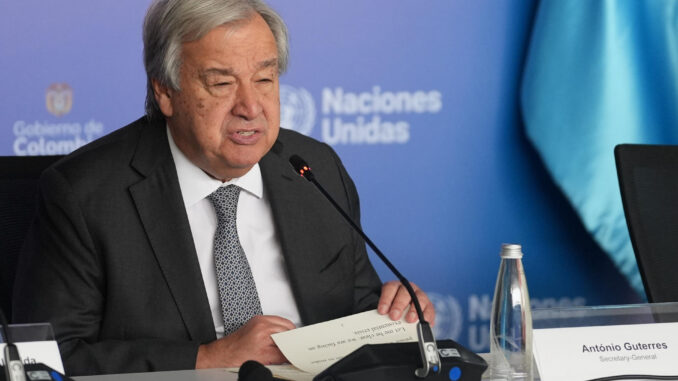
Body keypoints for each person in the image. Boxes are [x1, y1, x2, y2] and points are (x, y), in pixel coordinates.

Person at [13, 0, 435, 376]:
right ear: (165, 90)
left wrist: (390, 315)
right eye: (221, 83)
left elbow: (354, 309)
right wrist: (208, 358)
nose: (251, 107)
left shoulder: (313, 169)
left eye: (265, 80)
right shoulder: (87, 194)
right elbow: (45, 358)